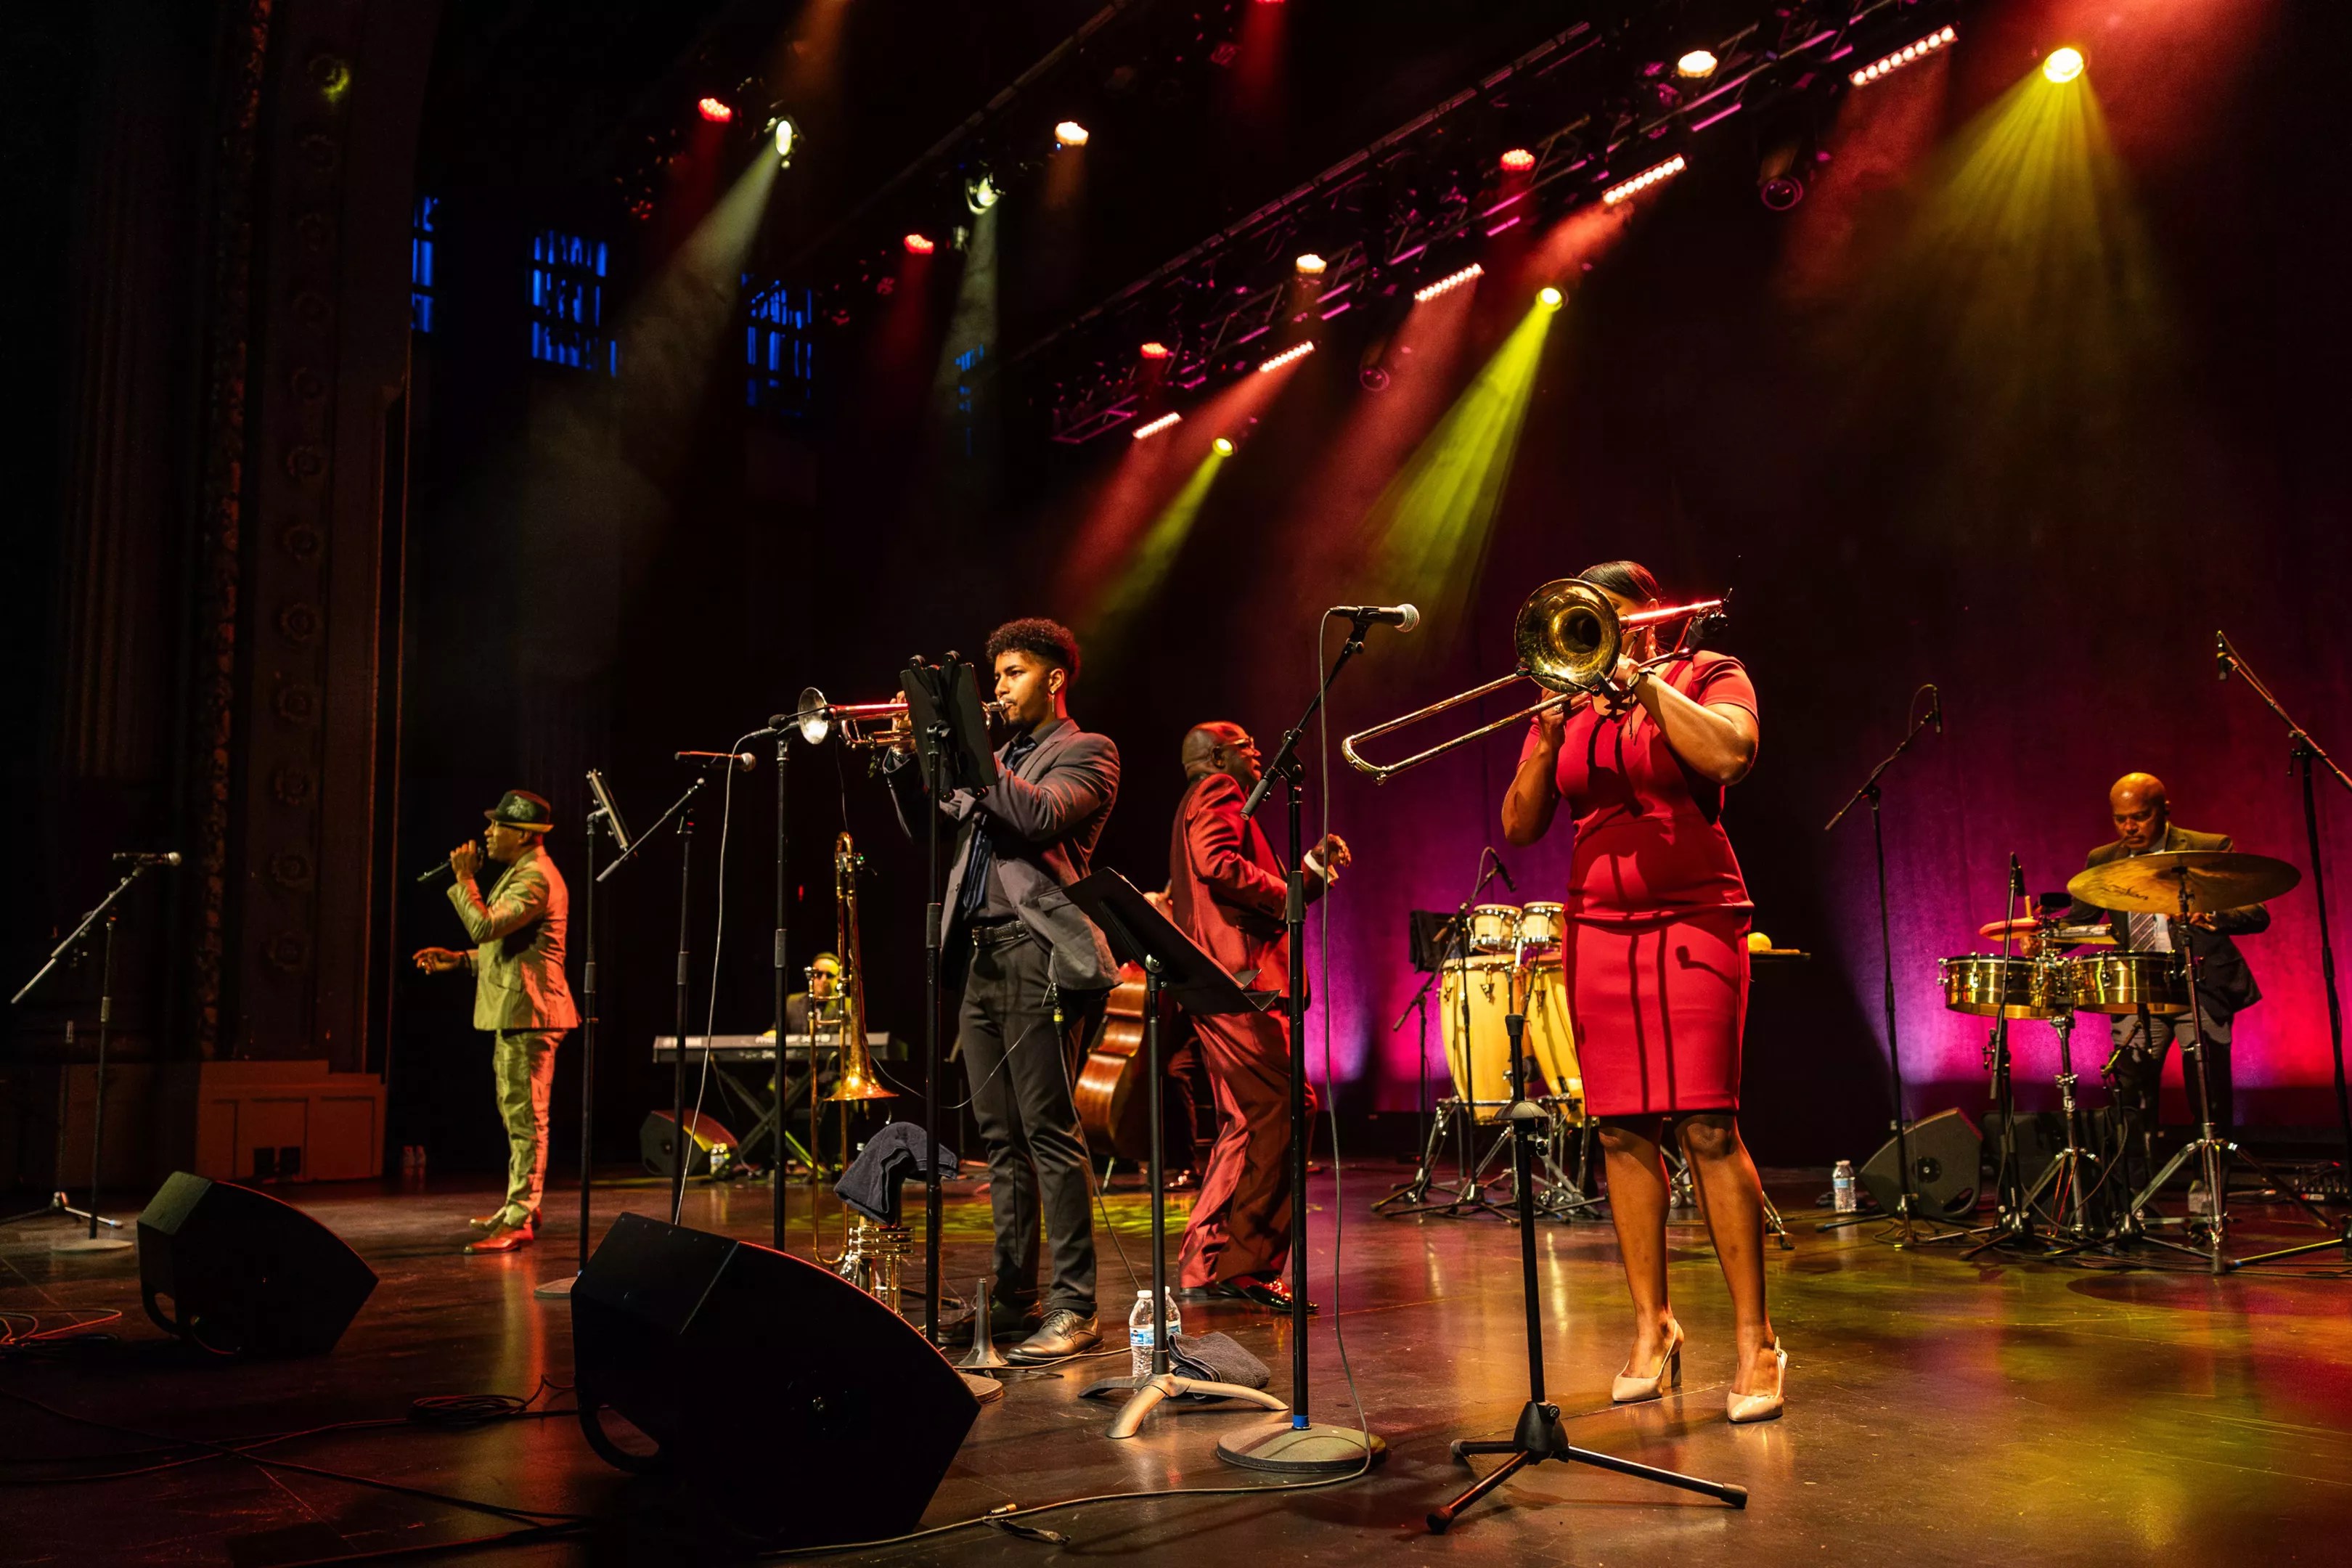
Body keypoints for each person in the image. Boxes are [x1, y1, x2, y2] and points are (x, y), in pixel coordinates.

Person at [1500, 562, 1784, 1424]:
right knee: (1620, 1129)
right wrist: (1549, 736)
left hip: (1695, 911)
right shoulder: (1566, 700)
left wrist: (1649, 689)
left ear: (1652, 621)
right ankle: (1653, 1326)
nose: (1602, 637)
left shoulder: (1708, 675)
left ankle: (1756, 1341)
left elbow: (1730, 753)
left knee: (1705, 1121)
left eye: (1613, 620)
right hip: (1598, 922)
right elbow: (1518, 825)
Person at [883, 618, 1120, 1363]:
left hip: (1038, 953)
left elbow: (1039, 816)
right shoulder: (1001, 757)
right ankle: (1016, 1299)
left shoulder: (1087, 751)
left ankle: (1077, 1306)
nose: (999, 689)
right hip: (978, 956)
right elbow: (930, 827)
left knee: (1048, 1132)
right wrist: (905, 759)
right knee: (999, 1140)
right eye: (995, 676)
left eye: (1013, 673)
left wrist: (971, 753)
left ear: (1054, 679)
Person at [1166, 723, 1349, 1310]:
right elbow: (1219, 866)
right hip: (1238, 981)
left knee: (1249, 1119)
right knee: (1283, 1107)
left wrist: (1308, 874)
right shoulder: (1218, 789)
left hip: (1222, 979)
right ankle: (1243, 1265)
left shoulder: (1200, 801)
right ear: (1217, 756)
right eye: (1245, 744)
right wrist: (1294, 887)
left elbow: (1226, 882)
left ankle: (1209, 1260)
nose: (1258, 752)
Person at [2062, 772, 2268, 1159]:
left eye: (2140, 817)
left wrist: (2213, 916)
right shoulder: (2104, 859)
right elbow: (2079, 924)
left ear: (2164, 810)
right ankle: (2138, 1197)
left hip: (2200, 985)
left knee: (2209, 1098)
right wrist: (2048, 936)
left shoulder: (2207, 847)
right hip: (2139, 990)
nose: (2129, 827)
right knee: (2131, 1098)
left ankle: (2208, 1194)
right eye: (2120, 818)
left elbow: (2256, 912)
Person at [411, 789, 579, 1255]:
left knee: (526, 1117)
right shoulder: (521, 873)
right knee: (516, 1113)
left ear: (523, 834)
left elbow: (485, 927)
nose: (487, 833)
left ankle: (522, 1216)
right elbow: (507, 948)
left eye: (497, 826)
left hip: (532, 1013)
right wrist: (461, 962)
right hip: (519, 1008)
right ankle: (519, 1204)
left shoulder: (535, 879)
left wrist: (464, 880)